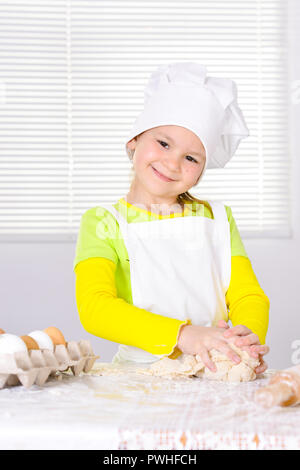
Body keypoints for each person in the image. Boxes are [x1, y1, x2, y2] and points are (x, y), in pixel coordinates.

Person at [73, 62, 270, 375]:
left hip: (213, 370)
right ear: (133, 141)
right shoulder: (103, 221)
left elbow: (248, 294)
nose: (172, 162)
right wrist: (183, 335)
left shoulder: (217, 218)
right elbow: (96, 308)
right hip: (139, 377)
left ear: (202, 171)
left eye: (191, 158)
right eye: (163, 143)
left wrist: (244, 336)